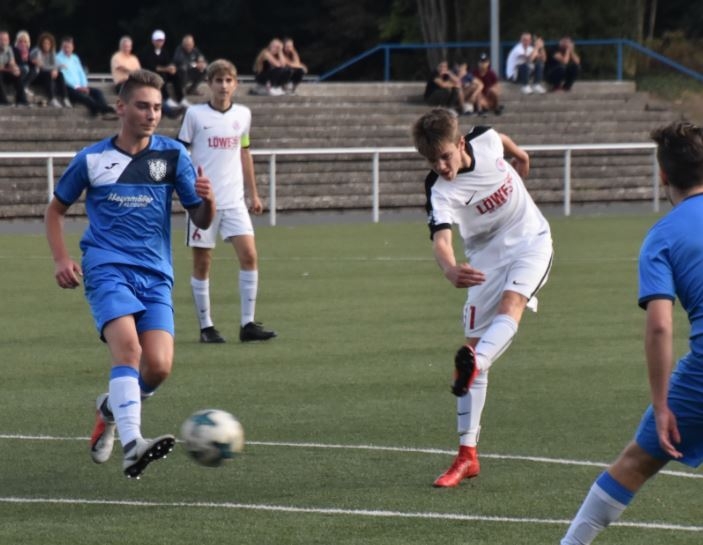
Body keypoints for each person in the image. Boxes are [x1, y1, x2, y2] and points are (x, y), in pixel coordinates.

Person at [44, 69, 215, 479]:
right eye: (142, 106)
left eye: (157, 107)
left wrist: (208, 202)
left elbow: (202, 220)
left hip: (155, 274)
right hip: (106, 268)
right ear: (121, 108)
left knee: (158, 367)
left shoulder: (173, 156)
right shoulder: (91, 159)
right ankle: (133, 443)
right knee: (128, 350)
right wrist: (62, 259)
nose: (152, 114)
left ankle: (109, 408)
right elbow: (55, 211)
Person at [560, 121, 703, 543]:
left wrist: (661, 406)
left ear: (663, 175)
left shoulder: (662, 237)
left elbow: (660, 325)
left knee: (636, 463)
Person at [411, 108, 553, 487]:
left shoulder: (485, 140)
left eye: (445, 156)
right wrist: (449, 269)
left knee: (512, 305)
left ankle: (477, 363)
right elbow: (442, 239)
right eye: (433, 161)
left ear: (461, 143)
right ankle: (467, 457)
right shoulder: (438, 189)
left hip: (531, 241)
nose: (441, 166)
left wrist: (520, 154)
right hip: (485, 260)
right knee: (473, 348)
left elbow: (500, 140)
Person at [178, 59, 276, 343]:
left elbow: (244, 152)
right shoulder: (195, 115)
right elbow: (181, 154)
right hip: (203, 203)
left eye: (228, 80)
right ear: (209, 84)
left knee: (249, 256)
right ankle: (206, 327)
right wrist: (189, 191)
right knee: (202, 264)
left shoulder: (243, 115)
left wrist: (253, 193)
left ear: (235, 84)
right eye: (218, 80)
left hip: (234, 201)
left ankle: (247, 324)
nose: (223, 86)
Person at [56, 36, 117, 118]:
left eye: (69, 47)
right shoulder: (57, 58)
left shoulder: (75, 58)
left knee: (97, 92)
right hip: (68, 87)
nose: (67, 49)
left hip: (81, 86)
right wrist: (77, 87)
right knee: (86, 98)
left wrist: (84, 86)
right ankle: (101, 110)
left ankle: (104, 109)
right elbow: (63, 76)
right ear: (61, 47)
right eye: (65, 47)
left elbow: (81, 73)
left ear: (72, 47)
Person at [139, 30, 189, 111]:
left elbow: (168, 62)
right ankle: (167, 98)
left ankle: (181, 99)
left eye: (161, 41)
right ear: (153, 41)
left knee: (175, 75)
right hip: (150, 74)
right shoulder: (147, 51)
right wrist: (166, 69)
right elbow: (152, 67)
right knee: (160, 76)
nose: (160, 43)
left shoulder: (164, 51)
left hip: (164, 72)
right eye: (158, 40)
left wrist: (172, 68)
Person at [29, 31, 70, 108]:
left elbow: (54, 65)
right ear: (41, 43)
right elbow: (42, 67)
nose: (46, 45)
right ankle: (52, 99)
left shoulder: (52, 52)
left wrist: (55, 69)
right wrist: (56, 68)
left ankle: (65, 98)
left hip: (47, 73)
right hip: (36, 75)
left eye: (48, 44)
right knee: (48, 74)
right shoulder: (37, 51)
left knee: (60, 74)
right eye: (45, 43)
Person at [0, 29, 29, 106]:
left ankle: (22, 100)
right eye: (1, 39)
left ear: (9, 40)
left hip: (4, 72)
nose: (3, 42)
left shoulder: (9, 49)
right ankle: (3, 101)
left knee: (17, 74)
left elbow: (12, 62)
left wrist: (15, 69)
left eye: (5, 40)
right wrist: (9, 69)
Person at [12, 30, 34, 99]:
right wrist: (22, 58)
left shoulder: (30, 50)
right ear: (17, 41)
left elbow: (31, 63)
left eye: (25, 41)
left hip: (26, 68)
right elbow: (13, 62)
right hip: (17, 67)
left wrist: (30, 60)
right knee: (25, 68)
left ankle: (24, 86)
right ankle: (19, 87)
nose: (23, 43)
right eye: (20, 41)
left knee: (35, 69)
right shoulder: (14, 49)